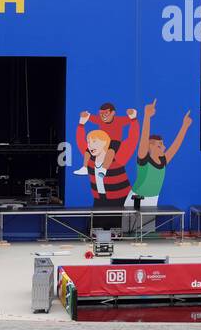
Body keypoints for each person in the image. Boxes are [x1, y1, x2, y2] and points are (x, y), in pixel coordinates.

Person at [129, 100, 191, 233]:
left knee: (145, 232)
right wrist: (147, 116)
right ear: (150, 146)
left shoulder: (163, 160)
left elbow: (176, 145)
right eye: (159, 145)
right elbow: (144, 138)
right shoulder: (143, 159)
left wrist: (184, 126)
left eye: (163, 144)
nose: (163, 147)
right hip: (137, 199)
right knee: (130, 231)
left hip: (153, 198)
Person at [76, 107, 139, 223]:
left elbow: (133, 139)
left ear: (105, 143)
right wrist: (81, 124)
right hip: (100, 199)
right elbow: (80, 142)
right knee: (98, 226)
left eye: (94, 142)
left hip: (120, 199)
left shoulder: (119, 157)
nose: (90, 145)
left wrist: (134, 119)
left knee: (120, 228)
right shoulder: (90, 159)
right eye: (89, 142)